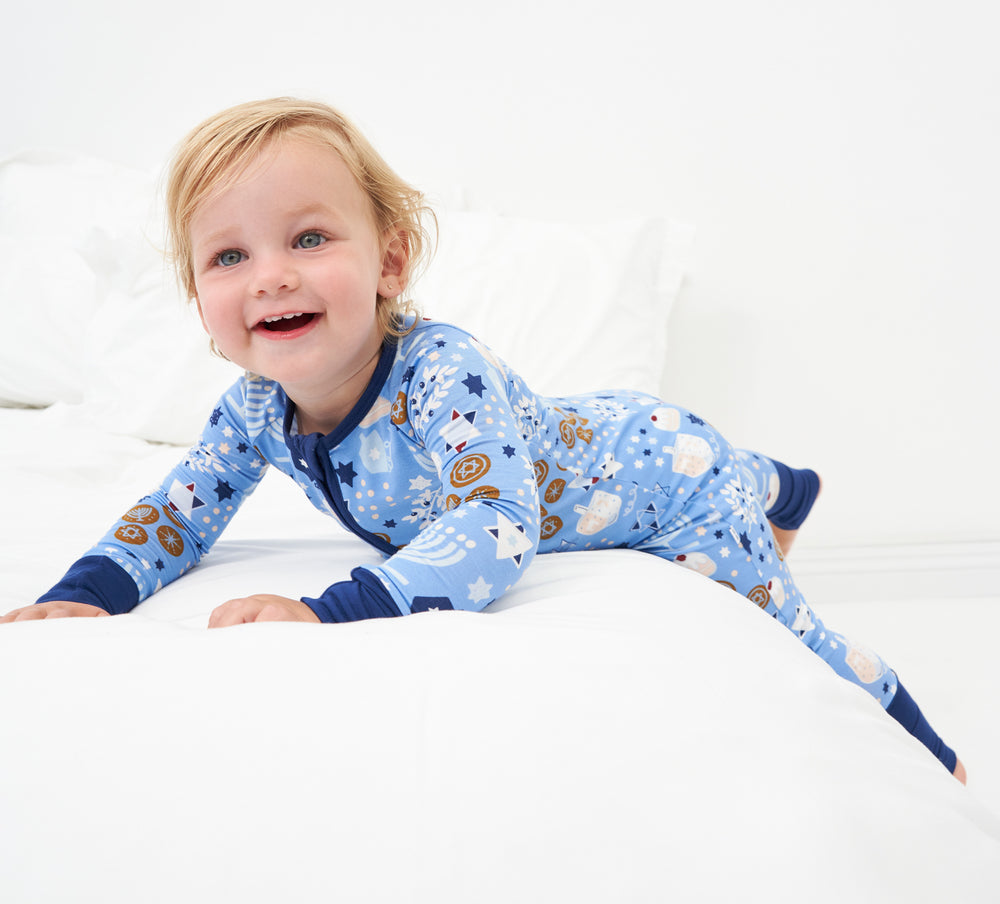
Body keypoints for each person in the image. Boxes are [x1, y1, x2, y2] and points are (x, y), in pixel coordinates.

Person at [0, 98, 965, 783]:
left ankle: (932, 751)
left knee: (791, 632)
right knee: (610, 438)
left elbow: (496, 530)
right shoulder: (254, 409)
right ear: (200, 303)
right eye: (228, 256)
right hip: (591, 436)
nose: (270, 278)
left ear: (389, 258)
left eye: (307, 239)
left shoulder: (438, 371)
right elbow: (183, 506)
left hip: (669, 481)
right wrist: (86, 592)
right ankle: (781, 487)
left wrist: (333, 611)